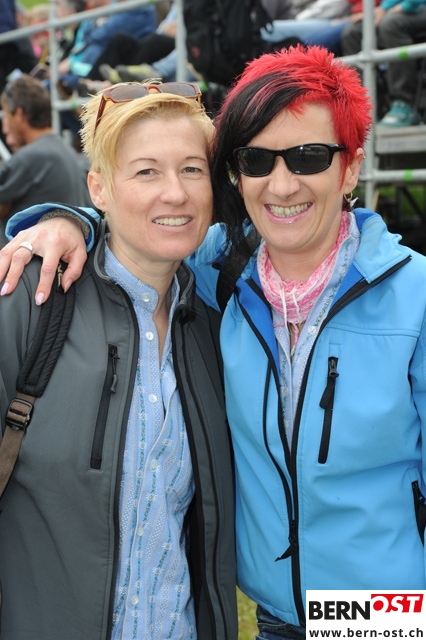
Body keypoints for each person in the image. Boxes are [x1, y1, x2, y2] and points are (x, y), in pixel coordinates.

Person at [3, 45, 426, 639]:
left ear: (350, 168)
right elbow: (141, 229)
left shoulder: (414, 298)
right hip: (275, 620)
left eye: (308, 157)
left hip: (389, 620)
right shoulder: (219, 278)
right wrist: (66, 222)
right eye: (257, 160)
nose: (282, 184)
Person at [0, 81, 237, 638]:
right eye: (146, 171)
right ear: (99, 188)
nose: (175, 193)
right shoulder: (32, 296)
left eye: (192, 169)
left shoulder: (215, 322)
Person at [0, 74, 91, 246]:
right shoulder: (67, 152)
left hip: (27, 258)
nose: (5, 125)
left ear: (19, 114)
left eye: (6, 115)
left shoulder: (31, 157)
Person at [341, 0, 426, 126]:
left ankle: (403, 104)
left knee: (391, 24)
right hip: (394, 7)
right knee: (353, 32)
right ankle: (367, 108)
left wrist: (400, 6)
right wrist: (382, 9)